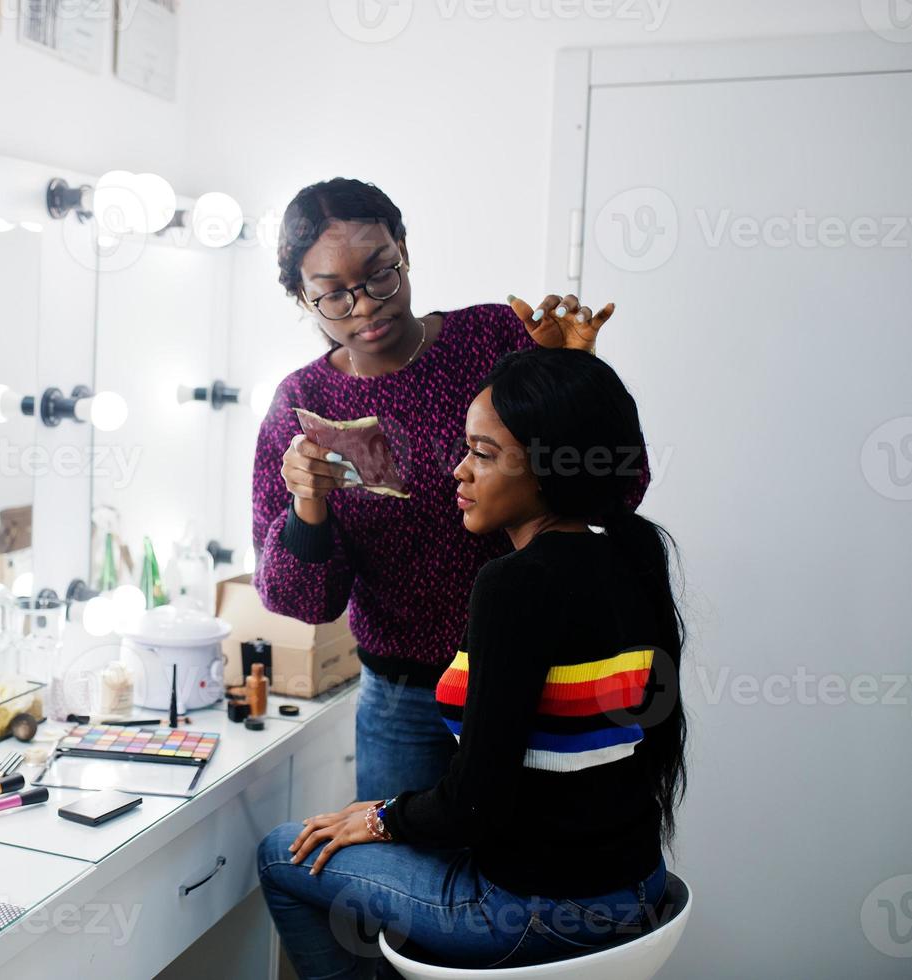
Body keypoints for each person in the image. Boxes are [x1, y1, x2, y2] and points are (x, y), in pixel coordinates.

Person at [257, 347, 686, 975]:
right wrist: (391, 814)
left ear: (548, 467)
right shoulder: (631, 554)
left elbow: (475, 803)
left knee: (279, 854)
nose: (457, 471)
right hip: (637, 889)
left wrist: (381, 816)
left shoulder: (514, 583)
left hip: (528, 911)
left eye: (482, 455)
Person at [251, 177, 642, 804]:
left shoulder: (493, 339)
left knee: (525, 876)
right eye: (333, 296)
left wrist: (576, 378)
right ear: (302, 297)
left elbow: (620, 491)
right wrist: (308, 506)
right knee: (400, 880)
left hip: (538, 672)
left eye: (381, 275)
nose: (366, 306)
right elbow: (306, 603)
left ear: (404, 248)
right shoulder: (302, 405)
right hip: (405, 700)